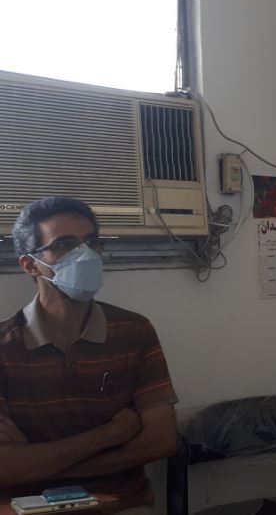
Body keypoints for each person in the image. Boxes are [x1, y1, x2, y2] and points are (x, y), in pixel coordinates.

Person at [0, 197, 178, 514]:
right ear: (30, 265)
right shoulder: (3, 346)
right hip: (27, 508)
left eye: (91, 242)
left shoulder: (134, 331)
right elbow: (5, 467)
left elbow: (161, 441)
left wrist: (38, 463)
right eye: (65, 244)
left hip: (121, 504)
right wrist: (108, 435)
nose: (85, 254)